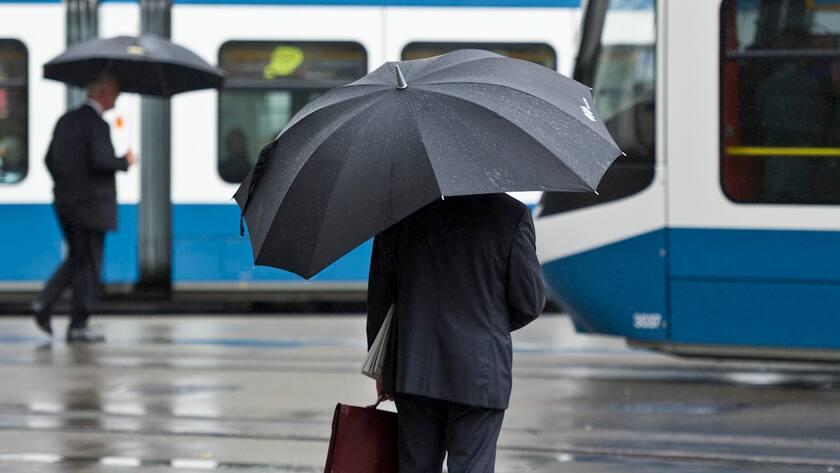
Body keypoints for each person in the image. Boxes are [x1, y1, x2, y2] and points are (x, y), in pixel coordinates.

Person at [367, 193, 544, 473]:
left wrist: (384, 369)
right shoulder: (511, 214)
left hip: (414, 369)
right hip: (481, 373)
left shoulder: (400, 212)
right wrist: (488, 327)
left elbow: (380, 297)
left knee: (416, 466)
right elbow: (529, 302)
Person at [32, 73, 136, 343]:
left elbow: (49, 159)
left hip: (65, 204)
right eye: (115, 92)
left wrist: (66, 187)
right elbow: (101, 160)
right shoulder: (97, 125)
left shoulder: (66, 120)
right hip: (92, 208)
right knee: (89, 265)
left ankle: (44, 303)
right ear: (102, 93)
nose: (117, 98)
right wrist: (125, 160)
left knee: (78, 259)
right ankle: (78, 324)